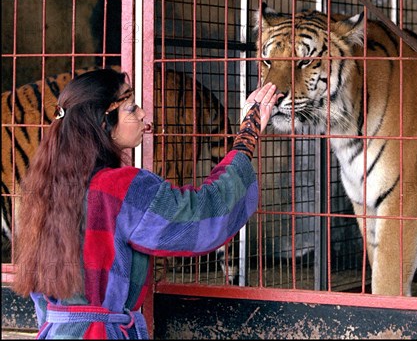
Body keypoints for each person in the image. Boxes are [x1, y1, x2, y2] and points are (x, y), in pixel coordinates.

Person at [12, 68, 280, 339]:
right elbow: (204, 214)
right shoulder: (121, 189)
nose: (142, 114)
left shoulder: (44, 189)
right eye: (131, 108)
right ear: (104, 121)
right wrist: (248, 134)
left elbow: (41, 297)